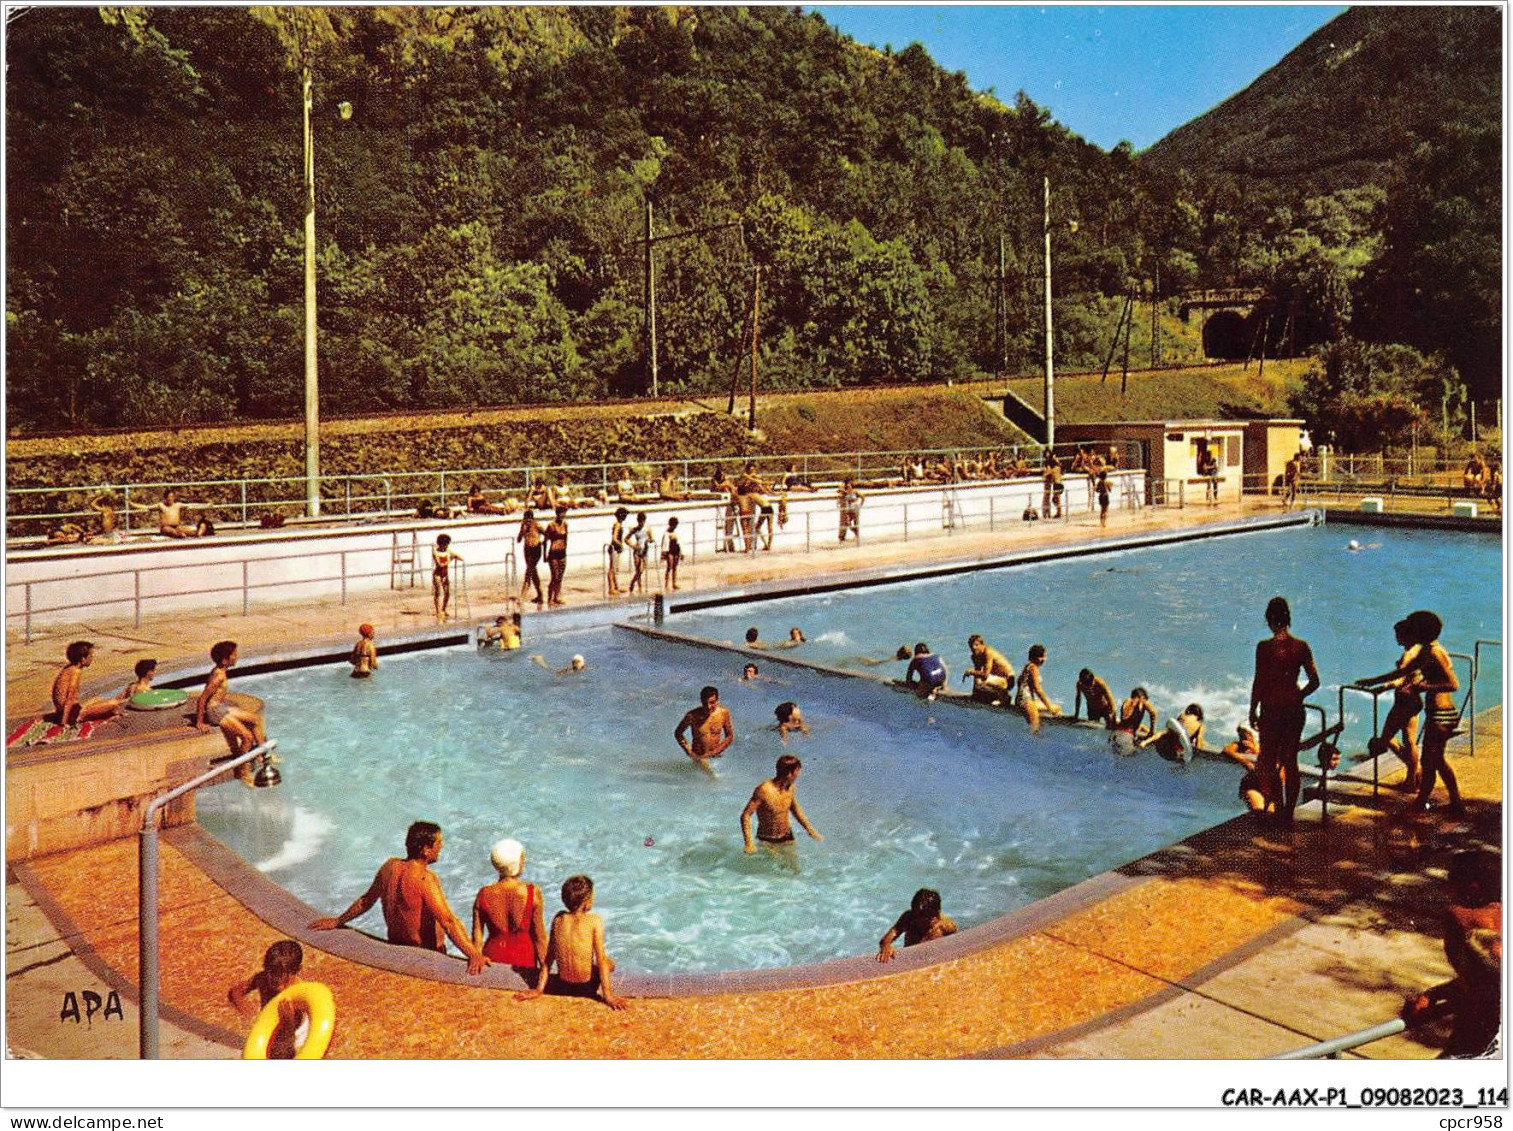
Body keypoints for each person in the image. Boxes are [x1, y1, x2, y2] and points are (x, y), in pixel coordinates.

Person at [310, 821, 490, 975]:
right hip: (425, 956)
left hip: (396, 948)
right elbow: (448, 922)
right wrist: (473, 954)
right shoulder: (425, 879)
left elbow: (366, 901)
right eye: (438, 843)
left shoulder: (389, 867)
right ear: (425, 850)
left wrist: (339, 920)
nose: (441, 847)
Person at [1401, 849, 1500, 1057]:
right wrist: (1434, 994)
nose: (1447, 887)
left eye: (1452, 878)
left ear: (1473, 886)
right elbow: (1487, 979)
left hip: (1483, 1042)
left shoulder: (1460, 917)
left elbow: (1486, 979)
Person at [1248, 596, 1321, 826]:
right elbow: (1315, 681)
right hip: (1293, 709)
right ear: (1288, 619)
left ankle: (1279, 809)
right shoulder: (1301, 646)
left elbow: (1259, 681)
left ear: (1269, 619)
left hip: (1271, 709)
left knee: (1269, 761)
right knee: (1291, 761)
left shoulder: (1264, 648)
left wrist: (1252, 709)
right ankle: (1289, 814)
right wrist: (1298, 695)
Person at [516, 874, 627, 1010]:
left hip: (564, 983)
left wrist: (539, 990)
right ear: (587, 901)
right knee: (609, 963)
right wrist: (608, 996)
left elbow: (549, 958)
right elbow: (601, 960)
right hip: (586, 987)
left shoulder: (558, 919)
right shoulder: (594, 920)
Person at [1401, 609, 1465, 817]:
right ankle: (1440, 801)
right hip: (1437, 713)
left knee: (1433, 761)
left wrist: (1422, 688)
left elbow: (1453, 684)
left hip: (1441, 714)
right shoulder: (1428, 650)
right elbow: (1403, 671)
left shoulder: (1435, 653)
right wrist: (1372, 681)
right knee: (1432, 761)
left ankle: (1448, 801)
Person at [1358, 619, 1423, 793]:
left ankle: (1414, 771)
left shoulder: (1407, 655)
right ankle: (1413, 777)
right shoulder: (1418, 650)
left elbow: (1399, 677)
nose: (1396, 638)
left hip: (1403, 701)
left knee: (1386, 739)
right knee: (1410, 741)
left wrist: (1380, 686)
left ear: (1406, 635)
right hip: (1414, 700)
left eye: (1398, 634)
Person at [471, 838, 547, 983]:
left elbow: (477, 937)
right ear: (517, 863)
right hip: (523, 961)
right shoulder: (532, 892)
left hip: (492, 960)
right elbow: (540, 938)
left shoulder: (484, 893)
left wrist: (476, 956)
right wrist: (545, 971)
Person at [227, 940, 308, 1059]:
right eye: (269, 971)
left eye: (279, 974)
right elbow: (236, 991)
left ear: (296, 970)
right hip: (270, 1027)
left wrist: (288, 1022)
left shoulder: (299, 994)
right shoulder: (262, 978)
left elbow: (287, 1042)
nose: (272, 978)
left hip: (294, 1033)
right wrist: (243, 1005)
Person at [195, 641, 267, 757]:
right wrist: (200, 722)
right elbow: (203, 698)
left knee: (256, 719)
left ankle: (263, 756)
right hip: (215, 712)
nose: (236, 656)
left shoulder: (220, 671)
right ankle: (242, 769)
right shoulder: (218, 676)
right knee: (247, 737)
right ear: (225, 659)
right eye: (234, 654)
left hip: (220, 708)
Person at [741, 754, 822, 853]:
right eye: (798, 770)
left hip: (787, 835)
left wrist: (810, 830)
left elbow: (795, 809)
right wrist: (749, 843)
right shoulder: (764, 790)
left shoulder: (791, 787)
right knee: (775, 868)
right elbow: (746, 815)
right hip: (768, 839)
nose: (799, 774)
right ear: (789, 773)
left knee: (794, 867)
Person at [49, 641, 125, 725]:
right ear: (83, 659)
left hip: (64, 710)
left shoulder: (69, 668)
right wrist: (64, 722)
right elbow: (70, 698)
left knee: (97, 699)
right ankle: (80, 716)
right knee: (114, 705)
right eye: (90, 656)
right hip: (73, 714)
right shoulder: (75, 672)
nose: (91, 658)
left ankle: (78, 714)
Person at [877, 888, 959, 962]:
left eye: (921, 917)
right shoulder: (908, 918)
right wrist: (886, 945)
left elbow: (957, 944)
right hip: (911, 961)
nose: (916, 920)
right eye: (915, 915)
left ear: (935, 916)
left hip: (934, 961)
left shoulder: (946, 926)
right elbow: (889, 936)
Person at [675, 685, 733, 767]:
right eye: (705, 703)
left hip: (716, 756)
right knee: (712, 778)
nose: (708, 707)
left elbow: (729, 736)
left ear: (717, 700)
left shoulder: (723, 713)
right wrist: (689, 752)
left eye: (712, 703)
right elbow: (678, 733)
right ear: (701, 701)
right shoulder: (692, 715)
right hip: (699, 757)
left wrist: (715, 752)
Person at [1222, 724, 1269, 812]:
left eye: (1245, 735)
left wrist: (1255, 750)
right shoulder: (1238, 745)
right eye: (1241, 735)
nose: (1243, 738)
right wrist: (1246, 762)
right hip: (1252, 784)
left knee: (1271, 814)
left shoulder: (1259, 746)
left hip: (1267, 784)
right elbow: (1227, 750)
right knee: (1258, 810)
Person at [1015, 644, 1061, 731]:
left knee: (1057, 708)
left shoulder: (1027, 666)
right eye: (1042, 657)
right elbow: (1038, 690)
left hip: (1022, 699)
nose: (1044, 660)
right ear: (1035, 657)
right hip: (1026, 701)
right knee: (1035, 727)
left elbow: (1019, 682)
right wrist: (1049, 707)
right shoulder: (1033, 668)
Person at [1140, 703, 1205, 762]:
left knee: (1165, 732)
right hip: (1175, 754)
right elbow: (1199, 742)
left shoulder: (1182, 716)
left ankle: (1145, 741)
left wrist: (1146, 742)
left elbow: (1171, 732)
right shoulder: (1200, 725)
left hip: (1162, 747)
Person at [962, 634, 1014, 707]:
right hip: (995, 679)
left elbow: (985, 675)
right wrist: (974, 694)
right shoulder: (974, 657)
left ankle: (1005, 697)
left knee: (983, 681)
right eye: (971, 646)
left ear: (982, 645)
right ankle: (996, 696)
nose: (973, 648)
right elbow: (977, 676)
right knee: (978, 685)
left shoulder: (988, 652)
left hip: (1008, 680)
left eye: (976, 645)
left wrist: (971, 672)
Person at [1110, 687, 1158, 755]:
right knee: (1134, 756)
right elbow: (1153, 713)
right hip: (1126, 738)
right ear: (1142, 697)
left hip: (1115, 735)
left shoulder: (1126, 702)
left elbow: (1123, 717)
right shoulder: (1141, 702)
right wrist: (1152, 732)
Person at [517, 509, 544, 607]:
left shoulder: (537, 525)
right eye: (526, 519)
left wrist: (542, 543)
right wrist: (522, 531)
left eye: (530, 519)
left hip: (535, 551)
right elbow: (518, 540)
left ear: (532, 519)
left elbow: (547, 534)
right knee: (533, 573)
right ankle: (540, 595)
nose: (528, 521)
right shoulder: (523, 526)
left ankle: (522, 598)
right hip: (527, 551)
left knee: (528, 573)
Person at [543, 506, 569, 607]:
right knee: (555, 576)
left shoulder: (565, 524)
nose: (563, 515)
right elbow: (545, 541)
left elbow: (566, 537)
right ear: (557, 514)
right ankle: (550, 598)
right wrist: (544, 555)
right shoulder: (551, 525)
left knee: (560, 577)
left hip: (562, 553)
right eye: (561, 513)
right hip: (553, 553)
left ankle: (557, 596)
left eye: (564, 513)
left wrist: (565, 549)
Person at [432, 533, 461, 619]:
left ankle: (444, 609)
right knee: (438, 592)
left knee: (447, 593)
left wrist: (457, 557)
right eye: (444, 544)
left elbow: (457, 556)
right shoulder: (435, 552)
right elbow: (440, 564)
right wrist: (450, 560)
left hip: (445, 574)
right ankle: (438, 611)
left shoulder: (447, 550)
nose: (446, 546)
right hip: (437, 574)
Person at [626, 512, 651, 594]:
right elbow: (626, 539)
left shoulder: (647, 529)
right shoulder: (634, 529)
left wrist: (648, 541)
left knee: (642, 569)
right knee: (638, 570)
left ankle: (632, 582)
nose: (641, 523)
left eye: (643, 521)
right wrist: (632, 545)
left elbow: (651, 538)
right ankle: (639, 586)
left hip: (644, 551)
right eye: (640, 521)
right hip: (637, 551)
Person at [607, 507, 628, 596]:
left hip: (616, 549)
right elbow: (614, 538)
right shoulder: (617, 525)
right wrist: (620, 545)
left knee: (615, 569)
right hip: (614, 548)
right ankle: (611, 588)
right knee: (612, 569)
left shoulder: (619, 524)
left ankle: (616, 586)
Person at [661, 516, 683, 590]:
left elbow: (679, 543)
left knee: (675, 567)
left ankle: (674, 583)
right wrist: (663, 554)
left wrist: (681, 552)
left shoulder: (676, 532)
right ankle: (666, 584)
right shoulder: (666, 533)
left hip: (676, 550)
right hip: (670, 551)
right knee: (669, 567)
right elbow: (664, 544)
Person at [1041, 453, 1063, 519]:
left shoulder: (1053, 470)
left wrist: (1044, 473)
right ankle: (1059, 512)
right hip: (1061, 484)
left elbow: (1048, 474)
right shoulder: (1058, 468)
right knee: (1057, 499)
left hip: (1056, 484)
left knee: (1055, 500)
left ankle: (1059, 512)